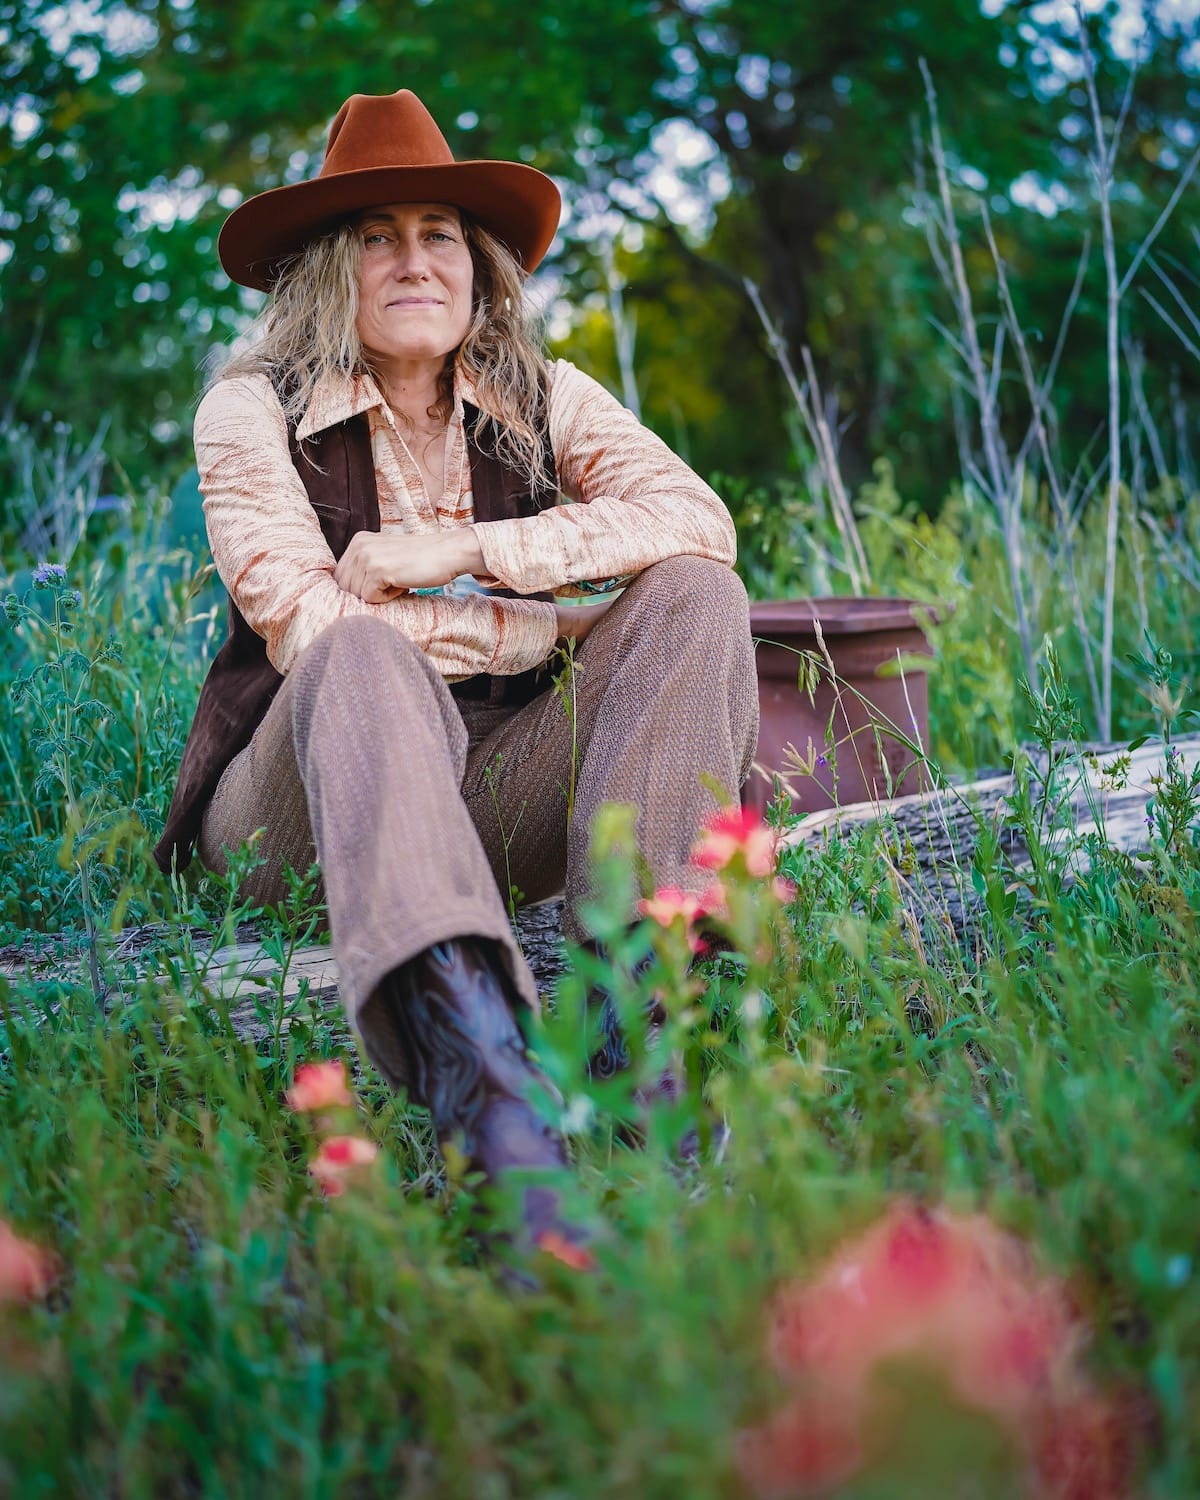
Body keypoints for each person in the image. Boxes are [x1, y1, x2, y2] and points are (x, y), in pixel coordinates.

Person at [155, 88, 758, 1247]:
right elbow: (304, 620)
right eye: (377, 237)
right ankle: (500, 1131)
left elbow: (698, 519)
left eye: (439, 234)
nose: (413, 259)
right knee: (361, 652)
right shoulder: (249, 408)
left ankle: (641, 1062)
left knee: (693, 594)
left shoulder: (541, 392)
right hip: (314, 804)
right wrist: (558, 617)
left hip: (501, 786)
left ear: (478, 266)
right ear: (331, 269)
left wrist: (468, 554)